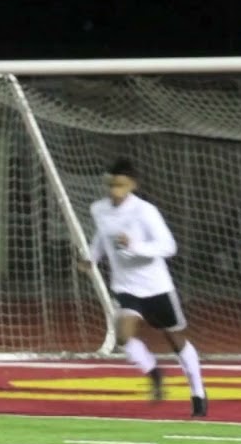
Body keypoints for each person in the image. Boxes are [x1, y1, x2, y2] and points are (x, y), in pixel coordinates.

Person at [79, 158, 208, 417]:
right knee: (124, 336)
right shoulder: (99, 209)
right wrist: (92, 258)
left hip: (156, 286)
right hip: (126, 287)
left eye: (121, 185)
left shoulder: (145, 211)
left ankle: (198, 393)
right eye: (112, 185)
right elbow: (101, 238)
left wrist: (135, 245)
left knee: (174, 339)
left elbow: (169, 246)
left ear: (132, 185)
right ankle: (155, 373)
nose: (115, 190)